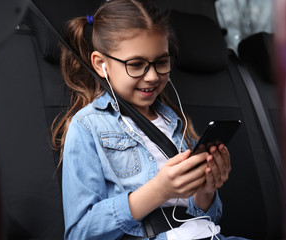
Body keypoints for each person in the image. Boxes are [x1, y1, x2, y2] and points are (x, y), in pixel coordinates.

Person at [52, 0, 247, 239]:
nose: (153, 76)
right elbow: (79, 233)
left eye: (161, 62)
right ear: (101, 64)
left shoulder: (173, 120)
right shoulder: (88, 126)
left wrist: (206, 190)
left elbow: (207, 219)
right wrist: (159, 190)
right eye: (136, 65)